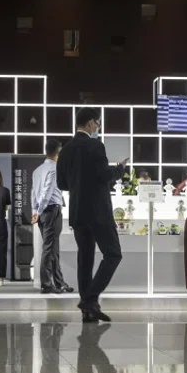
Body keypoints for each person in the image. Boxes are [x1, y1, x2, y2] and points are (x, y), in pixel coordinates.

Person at [56, 107, 127, 323]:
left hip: (77, 210)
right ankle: (89, 299)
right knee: (113, 254)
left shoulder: (66, 150)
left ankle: (89, 311)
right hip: (98, 210)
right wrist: (119, 170)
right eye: (98, 123)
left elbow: (62, 184)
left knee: (85, 259)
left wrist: (79, 184)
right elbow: (104, 175)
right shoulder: (96, 146)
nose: (98, 127)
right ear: (90, 123)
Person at [32, 139, 72, 295]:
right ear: (58, 153)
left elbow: (34, 193)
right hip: (51, 211)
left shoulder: (37, 170)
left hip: (43, 212)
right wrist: (40, 210)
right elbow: (47, 192)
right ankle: (47, 284)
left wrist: (35, 210)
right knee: (49, 249)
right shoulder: (55, 169)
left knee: (53, 248)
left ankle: (59, 283)